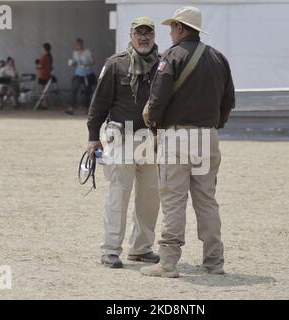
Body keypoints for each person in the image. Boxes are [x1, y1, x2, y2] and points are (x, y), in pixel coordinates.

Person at [140, 7, 235, 278]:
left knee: (173, 200)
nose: (170, 32)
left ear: (181, 28)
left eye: (172, 27)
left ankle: (168, 263)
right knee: (207, 200)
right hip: (208, 136)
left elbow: (157, 99)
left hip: (177, 136)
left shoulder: (172, 56)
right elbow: (229, 101)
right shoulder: (219, 58)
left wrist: (154, 127)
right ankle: (214, 262)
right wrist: (214, 126)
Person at [86, 17, 161, 268]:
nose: (143, 38)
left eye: (148, 33)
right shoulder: (115, 64)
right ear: (130, 35)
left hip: (152, 141)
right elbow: (99, 104)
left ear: (154, 36)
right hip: (120, 139)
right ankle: (110, 250)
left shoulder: (163, 65)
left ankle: (140, 248)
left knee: (150, 198)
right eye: (138, 33)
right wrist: (92, 137)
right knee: (118, 196)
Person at [66, 39, 95, 115]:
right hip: (78, 73)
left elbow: (92, 61)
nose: (78, 46)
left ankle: (87, 108)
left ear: (82, 44)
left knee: (87, 91)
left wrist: (86, 64)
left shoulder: (87, 52)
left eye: (79, 44)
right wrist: (72, 63)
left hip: (87, 73)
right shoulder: (75, 53)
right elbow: (75, 62)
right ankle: (71, 108)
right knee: (74, 90)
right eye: (77, 44)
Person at [36, 43, 53, 109]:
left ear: (44, 49)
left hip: (42, 75)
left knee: (42, 90)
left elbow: (40, 65)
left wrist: (37, 65)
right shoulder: (49, 56)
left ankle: (44, 104)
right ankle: (46, 103)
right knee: (44, 90)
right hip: (46, 74)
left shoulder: (44, 56)